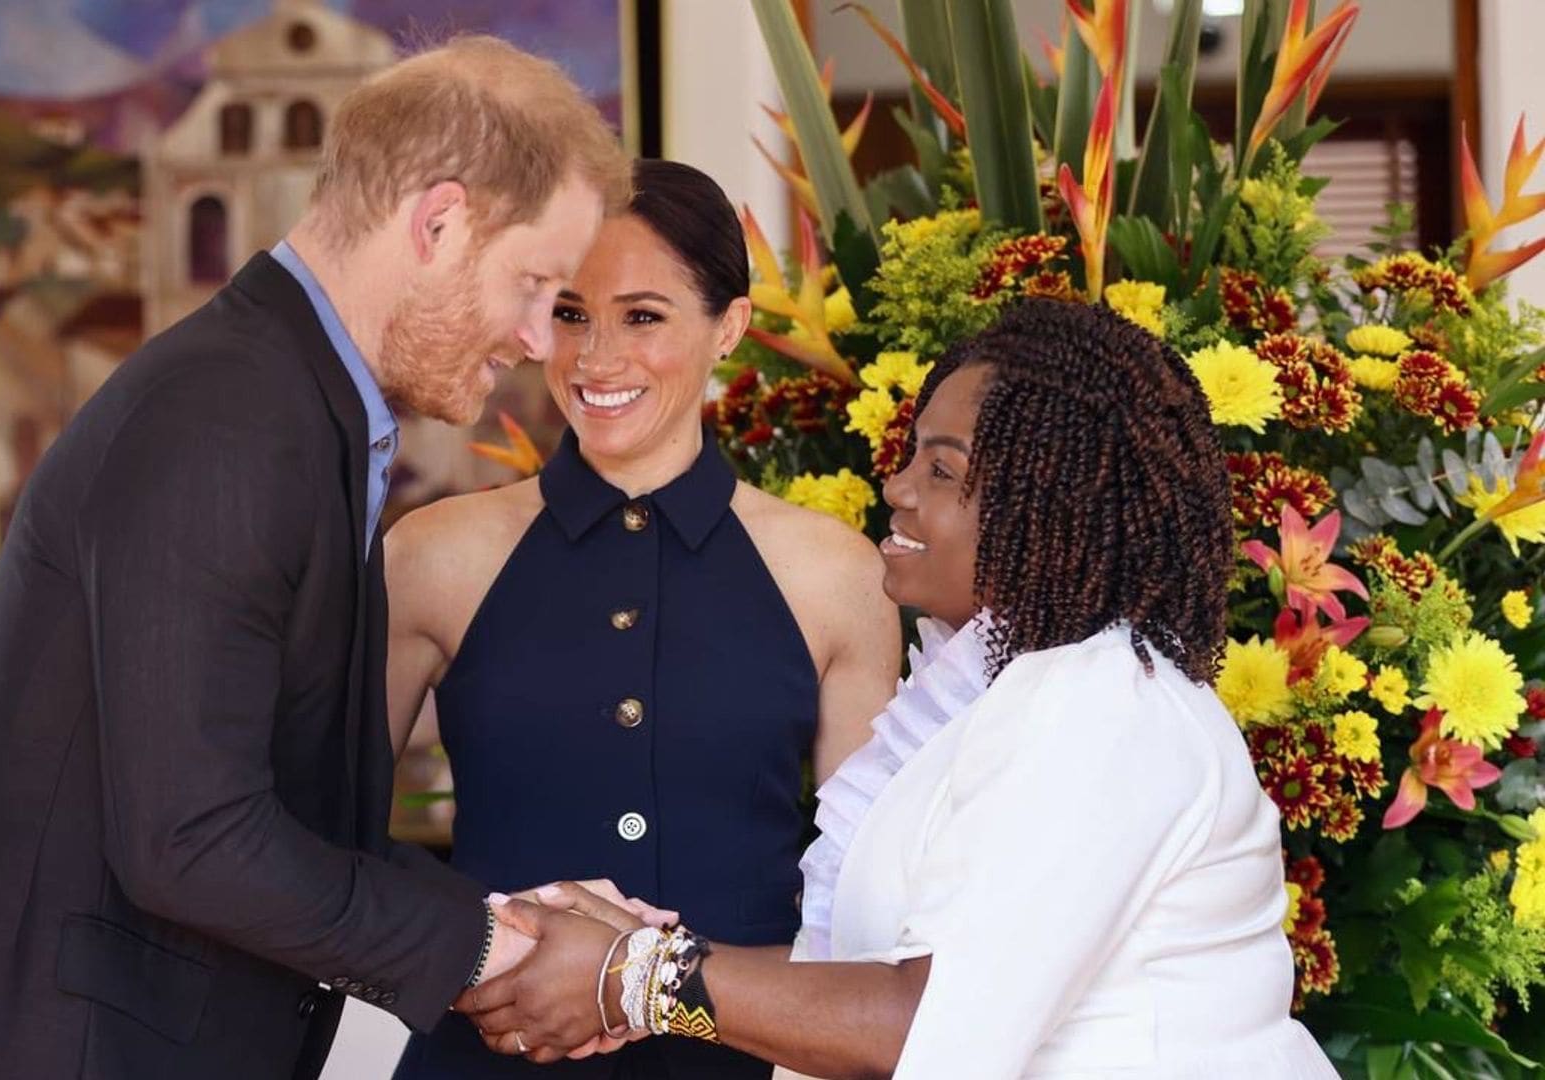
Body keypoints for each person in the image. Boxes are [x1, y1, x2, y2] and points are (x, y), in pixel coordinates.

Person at [0, 36, 632, 1080]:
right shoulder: (229, 420)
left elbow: (259, 802)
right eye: (534, 284)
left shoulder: (289, 406)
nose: (538, 339)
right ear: (438, 224)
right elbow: (192, 842)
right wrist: (486, 948)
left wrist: (497, 921)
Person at [457, 298, 1340, 1079]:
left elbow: (919, 1027)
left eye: (944, 472)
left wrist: (637, 977)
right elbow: (887, 978)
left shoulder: (1100, 704)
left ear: (1053, 501)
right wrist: (635, 956)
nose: (898, 489)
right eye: (913, 458)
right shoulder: (1022, 688)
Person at [385, 160, 901, 1079]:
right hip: (485, 1055)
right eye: (572, 313)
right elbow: (318, 842)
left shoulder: (836, 575)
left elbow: (862, 910)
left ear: (729, 328)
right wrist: (477, 960)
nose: (595, 359)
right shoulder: (434, 556)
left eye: (644, 316)